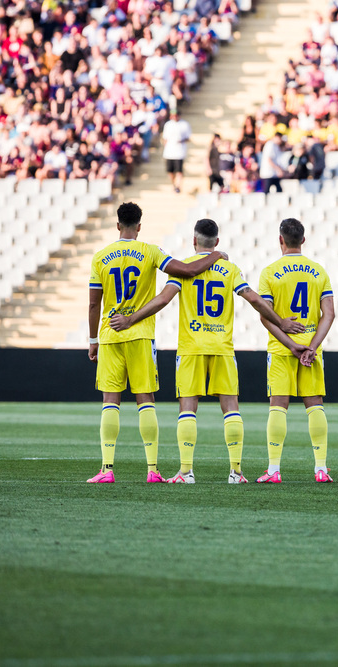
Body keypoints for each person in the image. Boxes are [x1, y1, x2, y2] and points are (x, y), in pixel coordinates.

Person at [107, 219, 305, 484]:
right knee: (231, 408)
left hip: (191, 348)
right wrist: (281, 322)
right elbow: (254, 299)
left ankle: (186, 472)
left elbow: (163, 300)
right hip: (222, 347)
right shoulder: (229, 269)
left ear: (194, 240)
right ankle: (236, 472)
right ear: (217, 243)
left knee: (188, 407)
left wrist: (131, 319)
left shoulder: (185, 269)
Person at [86, 202, 226, 484]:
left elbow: (93, 304)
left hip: (110, 334)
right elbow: (185, 271)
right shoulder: (150, 251)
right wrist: (216, 256)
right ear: (139, 226)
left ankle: (107, 469)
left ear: (117, 226)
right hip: (141, 334)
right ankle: (152, 470)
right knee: (145, 400)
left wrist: (93, 340)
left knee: (110, 401)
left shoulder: (101, 257)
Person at [255, 218, 336, 483]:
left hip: (281, 349)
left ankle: (274, 470)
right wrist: (311, 347)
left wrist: (291, 344)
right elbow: (329, 314)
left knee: (278, 407)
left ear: (280, 240)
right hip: (311, 351)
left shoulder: (269, 272)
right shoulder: (318, 271)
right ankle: (321, 469)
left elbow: (265, 318)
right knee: (315, 407)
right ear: (303, 240)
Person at [162, 111, 191, 193]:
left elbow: (188, 137)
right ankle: (174, 184)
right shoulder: (168, 124)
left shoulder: (184, 124)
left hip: (179, 152)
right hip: (169, 152)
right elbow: (165, 138)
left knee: (179, 171)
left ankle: (178, 185)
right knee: (170, 171)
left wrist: (181, 141)